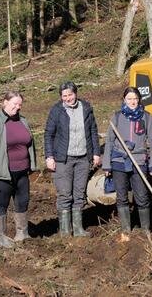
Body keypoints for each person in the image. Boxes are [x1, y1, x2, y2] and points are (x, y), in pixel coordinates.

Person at [44, 81, 102, 238]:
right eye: (64, 96)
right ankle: (64, 232)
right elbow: (49, 134)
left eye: (70, 94)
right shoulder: (57, 111)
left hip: (83, 158)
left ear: (75, 94)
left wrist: (96, 153)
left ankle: (78, 230)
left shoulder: (86, 108)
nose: (68, 98)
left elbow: (93, 131)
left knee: (79, 194)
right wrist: (49, 156)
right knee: (65, 194)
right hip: (63, 159)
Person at [0, 91, 37, 248]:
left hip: (22, 172)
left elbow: (30, 144)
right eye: (15, 104)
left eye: (20, 104)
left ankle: (22, 233)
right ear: (5, 102)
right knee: (1, 205)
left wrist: (32, 165)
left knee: (22, 202)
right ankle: (1, 238)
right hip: (3, 174)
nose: (18, 107)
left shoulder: (23, 121)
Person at [103, 87, 152, 233]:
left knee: (142, 196)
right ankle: (126, 230)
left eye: (135, 98)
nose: (132, 102)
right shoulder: (117, 117)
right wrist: (107, 165)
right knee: (121, 197)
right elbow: (109, 141)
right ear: (124, 100)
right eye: (129, 99)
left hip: (139, 161)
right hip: (119, 161)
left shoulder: (146, 117)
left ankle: (145, 230)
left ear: (139, 99)